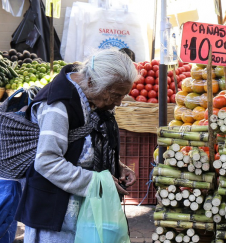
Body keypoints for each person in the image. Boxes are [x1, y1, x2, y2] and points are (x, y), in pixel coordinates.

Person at [14, 49, 137, 242]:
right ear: (91, 82)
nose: (119, 103)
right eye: (115, 95)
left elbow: (85, 144)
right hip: (54, 213)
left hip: (81, 210)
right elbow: (46, 161)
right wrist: (97, 183)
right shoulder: (58, 105)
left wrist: (117, 166)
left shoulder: (91, 95)